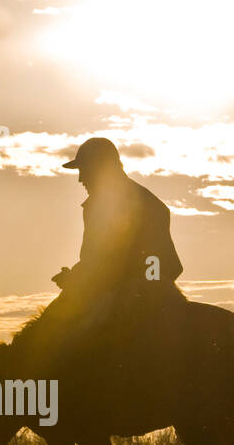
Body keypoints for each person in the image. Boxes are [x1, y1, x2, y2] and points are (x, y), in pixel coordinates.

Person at [51, 137, 184, 319]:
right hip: (159, 288)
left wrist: (74, 279)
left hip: (128, 293)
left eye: (84, 170)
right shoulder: (151, 202)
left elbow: (104, 261)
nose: (81, 179)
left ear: (100, 169)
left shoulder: (104, 206)